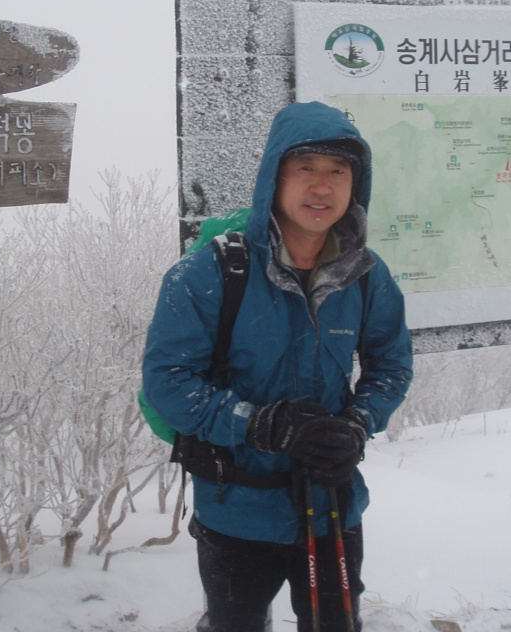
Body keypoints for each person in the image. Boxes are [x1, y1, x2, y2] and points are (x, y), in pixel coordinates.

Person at [142, 101, 413, 632]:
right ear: (274, 176)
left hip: (332, 500)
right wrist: (262, 425)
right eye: (305, 167)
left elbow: (391, 364)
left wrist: (357, 424)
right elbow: (168, 384)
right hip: (235, 506)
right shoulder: (209, 272)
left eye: (339, 171)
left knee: (335, 625)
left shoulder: (365, 274)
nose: (322, 185)